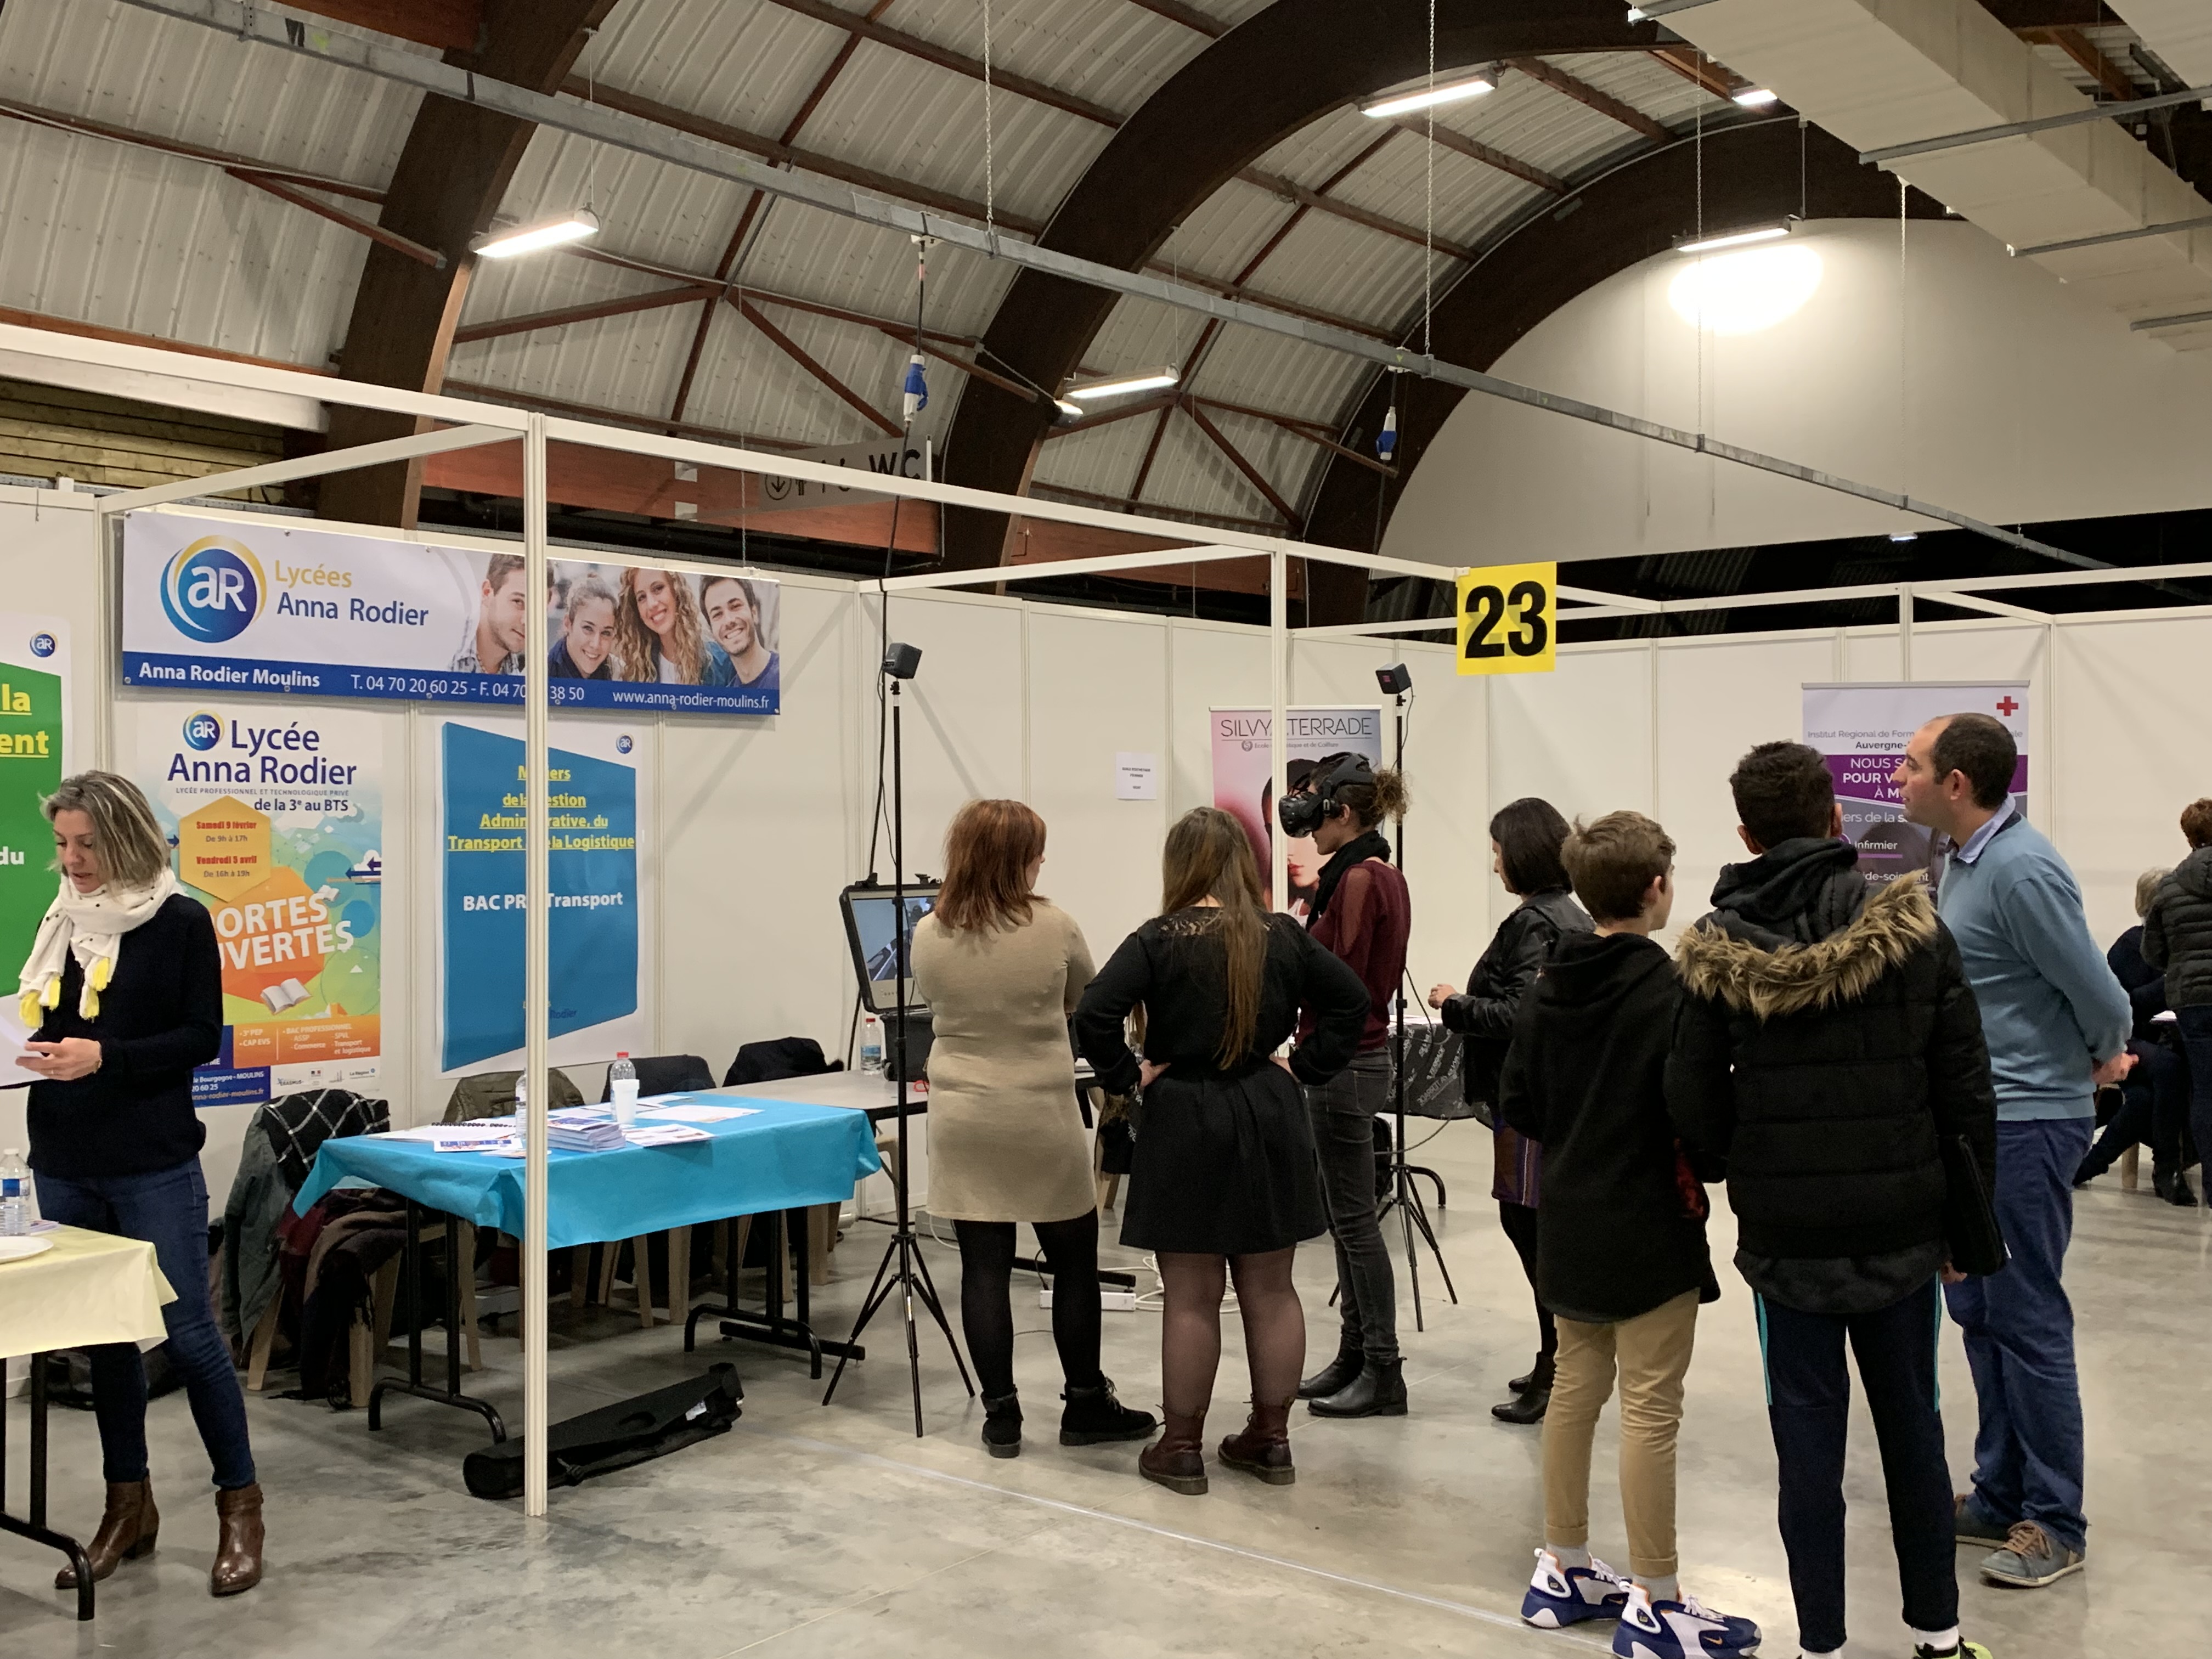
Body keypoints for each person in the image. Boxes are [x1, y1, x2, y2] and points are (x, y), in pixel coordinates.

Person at [1669, 741, 1997, 1659]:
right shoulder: (1916, 931)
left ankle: (1820, 1645)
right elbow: (1965, 1089)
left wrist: (1735, 1164)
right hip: (1904, 1232)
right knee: (1915, 1431)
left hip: (1787, 1243)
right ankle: (1938, 1635)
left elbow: (1690, 1093)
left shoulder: (1715, 951)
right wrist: (1967, 1224)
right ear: (1835, 817)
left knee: (1806, 1447)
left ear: (1746, 833)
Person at [1499, 810, 1757, 1659]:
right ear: (1656, 890)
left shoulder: (1546, 989)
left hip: (1568, 1219)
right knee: (1651, 1408)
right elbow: (1700, 1114)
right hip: (1649, 1223)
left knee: (1576, 1388)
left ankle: (1563, 1564)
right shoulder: (1673, 994)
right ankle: (1657, 1597)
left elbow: (1520, 1104)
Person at [1892, 712, 2131, 1590]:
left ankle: (2056, 1522)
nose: (1898, 780)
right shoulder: (1963, 863)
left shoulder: (2023, 869)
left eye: (1912, 767)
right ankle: (2000, 1493)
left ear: (1956, 783)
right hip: (1977, 1121)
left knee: (2027, 1319)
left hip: (2028, 1121)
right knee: (1981, 1313)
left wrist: (2104, 1054)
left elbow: (2101, 993)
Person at [17, 772, 264, 1597]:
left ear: (125, 837)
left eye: (87, 844)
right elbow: (55, 1023)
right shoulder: (63, 919)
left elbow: (200, 1037)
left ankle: (240, 1506)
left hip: (152, 1159)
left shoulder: (180, 919)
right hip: (64, 1157)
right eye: (62, 844)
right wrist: (34, 1050)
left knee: (189, 1335)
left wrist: (106, 1057)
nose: (72, 860)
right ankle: (129, 1507)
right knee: (105, 1340)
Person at [1073, 806, 1368, 1497]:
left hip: (1184, 1115)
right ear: (1242, 861)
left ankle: (1180, 1448)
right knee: (1272, 1289)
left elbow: (1093, 1013)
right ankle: (1271, 1439)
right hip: (1270, 1107)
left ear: (1180, 865)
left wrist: (1127, 1075)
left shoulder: (1157, 938)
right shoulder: (1283, 934)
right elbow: (1353, 1001)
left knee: (1190, 1296)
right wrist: (1307, 1065)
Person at [908, 799, 1156, 1459]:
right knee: (1073, 1262)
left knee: (982, 1268)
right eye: (1036, 851)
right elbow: (1088, 1001)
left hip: (964, 1116)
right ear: (1018, 859)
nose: (1043, 860)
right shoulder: (1055, 926)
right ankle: (1085, 1403)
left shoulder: (929, 932)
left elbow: (933, 1000)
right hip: (1040, 1113)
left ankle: (1002, 1418)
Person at [1427, 795, 1592, 1425]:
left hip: (1529, 1108)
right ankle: (1555, 1358)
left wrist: (1454, 1004)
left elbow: (1522, 1015)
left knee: (1535, 1237)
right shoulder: (1565, 916)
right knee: (1536, 1234)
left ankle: (1559, 1367)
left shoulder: (1535, 924)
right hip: (1543, 1103)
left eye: (1498, 853)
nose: (1495, 865)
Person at [1280, 753, 1412, 1420]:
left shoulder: (1359, 879)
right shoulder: (1379, 873)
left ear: (1345, 812)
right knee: (1347, 1221)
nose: (1308, 827)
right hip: (1357, 1058)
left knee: (1356, 1224)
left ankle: (1382, 1368)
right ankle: (1356, 1354)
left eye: (1319, 812)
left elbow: (1339, 975)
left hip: (1344, 1062)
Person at [2080, 866, 2192, 1203]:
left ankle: (2086, 1168)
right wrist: (2169, 986)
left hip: (2163, 1040)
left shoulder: (2182, 946)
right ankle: (2167, 1168)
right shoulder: (2131, 944)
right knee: (2170, 1068)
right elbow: (2123, 1006)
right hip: (2125, 1039)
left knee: (2145, 1099)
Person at [2144, 797, 2212, 1205]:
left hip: (2192, 1002)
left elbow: (2153, 953)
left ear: (2188, 837)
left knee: (2205, 1091)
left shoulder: (2169, 887)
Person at [613, 565, 732, 685]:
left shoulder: (722, 663)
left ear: (676, 591)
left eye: (658, 589)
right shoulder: (638, 671)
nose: (651, 604)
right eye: (642, 597)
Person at [701, 573, 781, 692]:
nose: (729, 621)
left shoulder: (785, 675)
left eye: (735, 606)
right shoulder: (728, 698)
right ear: (711, 630)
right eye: (717, 614)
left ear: (754, 613)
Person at [452, 552, 527, 674]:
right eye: (518, 602)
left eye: (538, 612)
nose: (527, 621)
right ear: (487, 592)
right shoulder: (444, 648)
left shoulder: (516, 672)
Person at [549, 572, 618, 680]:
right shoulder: (537, 673)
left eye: (606, 633)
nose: (596, 645)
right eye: (588, 628)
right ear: (568, 624)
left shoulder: (622, 675)